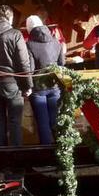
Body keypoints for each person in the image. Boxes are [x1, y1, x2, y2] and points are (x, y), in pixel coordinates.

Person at [0, 5, 34, 147]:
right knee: (15, 122)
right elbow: (23, 63)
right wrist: (27, 85)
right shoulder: (15, 34)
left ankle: (1, 159)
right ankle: (15, 159)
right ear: (9, 17)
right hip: (12, 83)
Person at [25, 15, 65, 145]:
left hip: (38, 89)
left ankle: (47, 154)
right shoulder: (56, 42)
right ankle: (61, 149)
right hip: (55, 87)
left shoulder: (29, 45)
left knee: (42, 122)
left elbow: (29, 69)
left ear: (29, 29)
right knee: (55, 120)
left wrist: (28, 87)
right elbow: (61, 64)